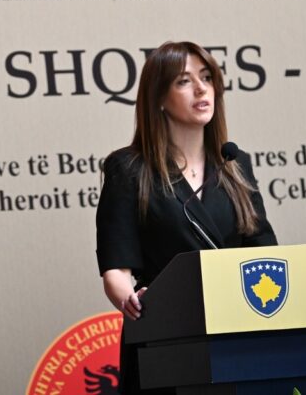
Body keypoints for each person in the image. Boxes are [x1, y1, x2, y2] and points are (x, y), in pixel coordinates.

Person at [95, 41, 277, 393]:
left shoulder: (234, 164)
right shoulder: (129, 169)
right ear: (159, 98)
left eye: (206, 77)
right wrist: (132, 301)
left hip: (236, 334)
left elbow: (264, 253)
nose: (201, 88)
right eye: (184, 81)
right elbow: (117, 268)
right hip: (165, 339)